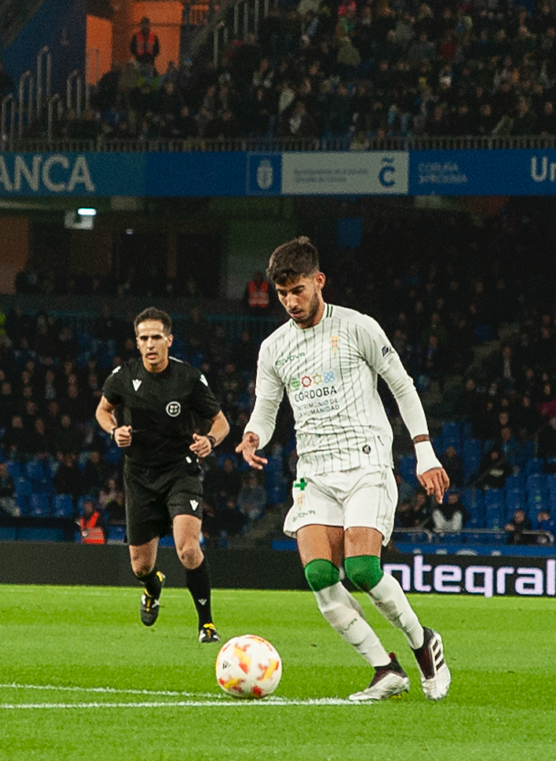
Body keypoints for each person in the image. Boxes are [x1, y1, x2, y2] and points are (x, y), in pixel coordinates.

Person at [236, 236, 451, 702]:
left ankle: (423, 642)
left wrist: (425, 451)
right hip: (314, 470)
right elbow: (267, 407)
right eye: (282, 294)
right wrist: (254, 435)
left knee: (361, 568)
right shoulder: (274, 348)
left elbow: (402, 386)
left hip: (365, 461)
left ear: (319, 281)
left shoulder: (358, 328)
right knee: (318, 576)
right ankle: (384, 668)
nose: (291, 302)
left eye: (298, 290)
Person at [95, 307, 231, 643]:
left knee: (187, 549)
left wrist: (209, 441)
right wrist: (114, 432)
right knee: (141, 567)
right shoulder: (122, 377)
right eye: (144, 338)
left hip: (180, 472)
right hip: (139, 476)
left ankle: (207, 624)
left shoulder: (188, 379)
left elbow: (221, 422)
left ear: (169, 340)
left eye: (157, 337)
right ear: (137, 342)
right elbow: (102, 410)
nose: (150, 344)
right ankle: (152, 590)